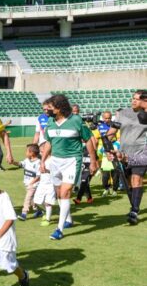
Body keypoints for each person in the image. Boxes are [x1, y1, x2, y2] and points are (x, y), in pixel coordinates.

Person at [41, 95, 98, 240]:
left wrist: (93, 161)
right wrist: (43, 161)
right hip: (55, 161)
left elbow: (88, 140)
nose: (47, 109)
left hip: (72, 161)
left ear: (59, 108)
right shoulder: (50, 121)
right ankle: (68, 219)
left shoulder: (76, 120)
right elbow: (49, 142)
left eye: (51, 107)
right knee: (59, 192)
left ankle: (59, 229)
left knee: (65, 192)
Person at [107, 89, 147, 225]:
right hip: (124, 154)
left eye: (137, 99)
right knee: (129, 183)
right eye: (133, 98)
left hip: (141, 152)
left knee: (137, 180)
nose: (134, 101)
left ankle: (134, 211)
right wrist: (108, 148)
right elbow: (111, 132)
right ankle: (134, 206)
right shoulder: (123, 114)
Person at [10, 144, 42, 221]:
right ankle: (39, 211)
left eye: (27, 151)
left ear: (32, 153)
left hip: (33, 185)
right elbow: (20, 164)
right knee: (32, 200)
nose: (25, 153)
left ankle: (24, 213)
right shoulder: (27, 160)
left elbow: (38, 176)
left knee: (27, 198)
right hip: (27, 184)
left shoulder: (38, 163)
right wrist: (13, 162)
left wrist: (32, 183)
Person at [100, 132, 121, 197]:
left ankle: (114, 191)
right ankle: (106, 189)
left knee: (115, 178)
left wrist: (116, 152)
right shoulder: (104, 144)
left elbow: (121, 151)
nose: (111, 137)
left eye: (112, 136)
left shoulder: (117, 143)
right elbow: (100, 151)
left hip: (115, 163)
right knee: (105, 178)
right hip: (106, 163)